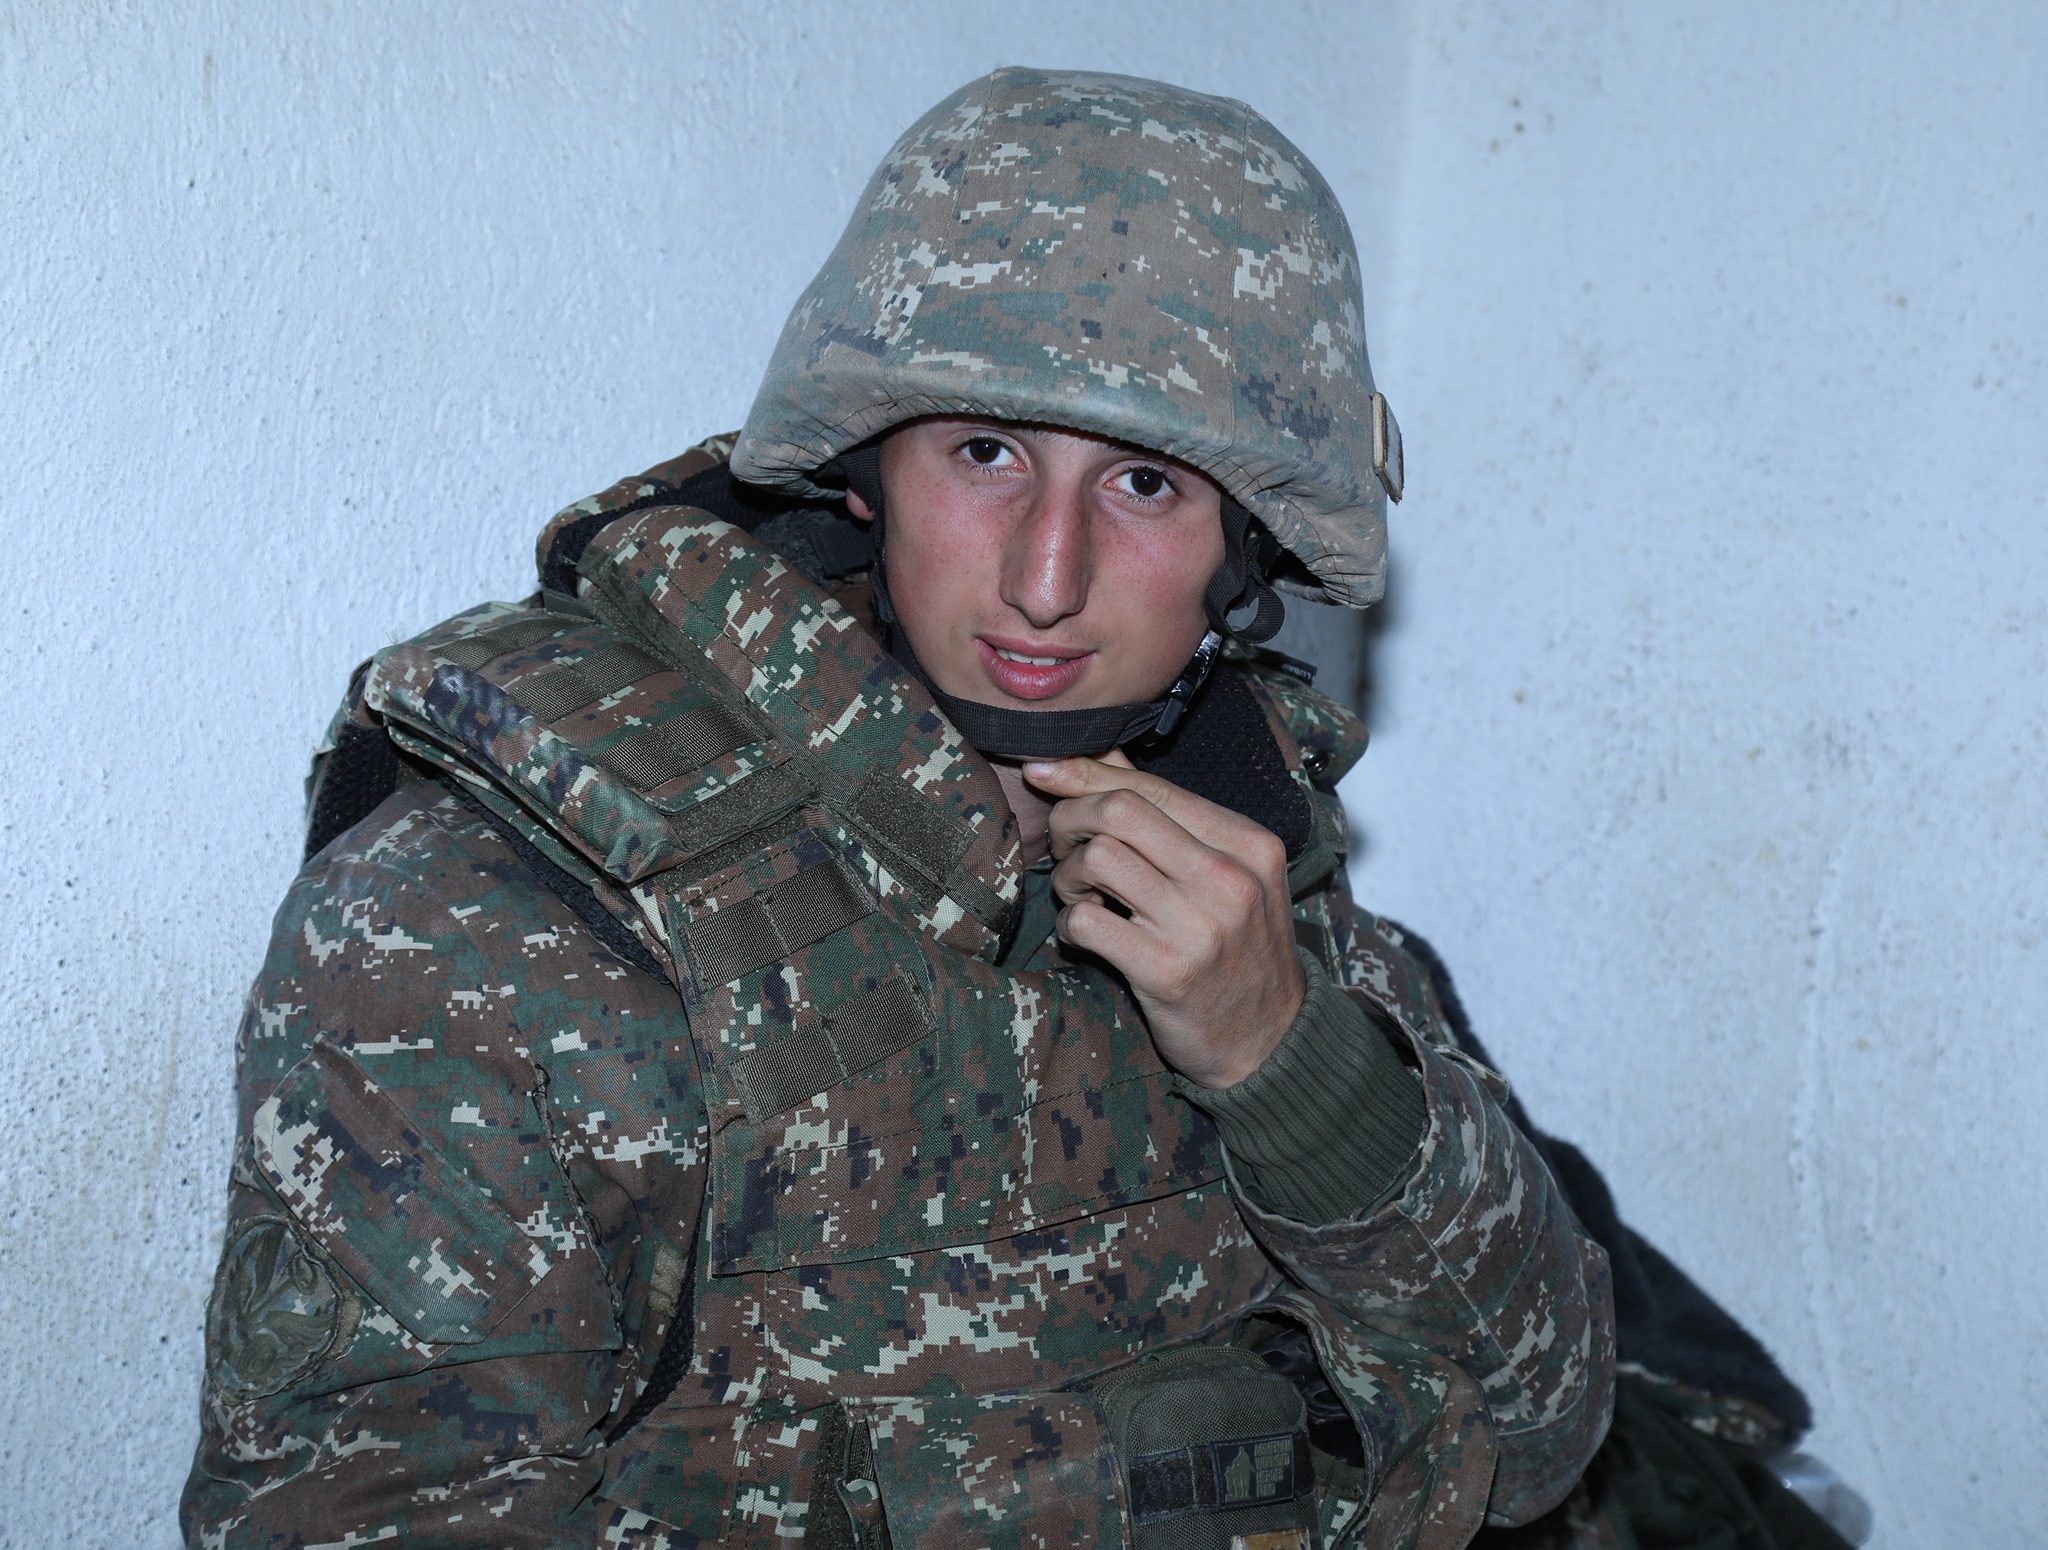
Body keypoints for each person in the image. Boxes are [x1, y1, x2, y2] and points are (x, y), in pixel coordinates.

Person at [183, 68, 1842, 1550]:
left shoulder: (1250, 863)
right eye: (985, 453)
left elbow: (1536, 1440)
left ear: (1249, 549)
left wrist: (1292, 1067)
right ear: (863, 467)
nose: (1048, 579)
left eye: (1146, 482)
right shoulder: (506, 921)